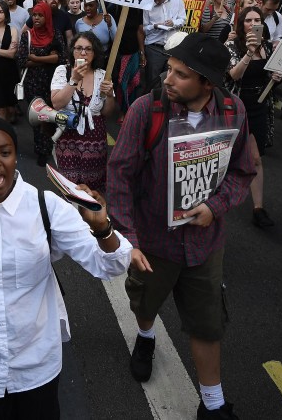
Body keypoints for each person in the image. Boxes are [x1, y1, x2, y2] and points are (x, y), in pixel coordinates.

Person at [0, 116, 133, 419]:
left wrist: (103, 229)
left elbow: (111, 265)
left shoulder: (47, 206)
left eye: (4, 152)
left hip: (36, 363)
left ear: (15, 155)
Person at [107, 34, 255, 420]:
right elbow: (120, 175)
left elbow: (242, 170)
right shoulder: (146, 110)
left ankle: (213, 404)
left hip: (205, 243)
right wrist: (129, 240)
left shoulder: (234, 111)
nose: (167, 79)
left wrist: (216, 206)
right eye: (169, 69)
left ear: (207, 82)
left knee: (207, 322)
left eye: (180, 74)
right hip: (154, 241)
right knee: (145, 302)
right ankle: (145, 336)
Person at [225, 7, 282, 228]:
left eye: (257, 20)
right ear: (241, 25)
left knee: (256, 158)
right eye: (248, 20)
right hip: (237, 107)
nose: (253, 23)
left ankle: (258, 208)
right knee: (243, 156)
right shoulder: (231, 46)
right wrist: (248, 52)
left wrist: (276, 76)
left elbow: (269, 76)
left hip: (259, 106)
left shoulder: (267, 45)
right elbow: (233, 75)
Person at [50, 32, 115, 192]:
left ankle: (90, 217)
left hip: (95, 141)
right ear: (72, 51)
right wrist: (74, 80)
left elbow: (107, 112)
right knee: (69, 187)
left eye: (88, 49)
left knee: (92, 190)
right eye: (79, 48)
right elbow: (57, 103)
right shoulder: (62, 71)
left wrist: (110, 95)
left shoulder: (102, 75)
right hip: (67, 138)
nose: (83, 53)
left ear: (95, 53)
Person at [17, 2, 66, 166]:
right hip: (33, 83)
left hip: (52, 82)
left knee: (50, 115)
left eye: (40, 15)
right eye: (34, 15)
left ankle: (49, 144)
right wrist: (48, 59)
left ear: (47, 17)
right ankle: (41, 150)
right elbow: (22, 60)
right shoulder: (27, 36)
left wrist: (36, 58)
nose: (36, 18)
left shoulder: (55, 34)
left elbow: (61, 58)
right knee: (38, 117)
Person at [142, 0, 187, 88]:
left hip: (173, 48)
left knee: (172, 79)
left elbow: (183, 19)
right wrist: (155, 26)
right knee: (153, 80)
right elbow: (144, 28)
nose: (157, 2)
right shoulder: (147, 5)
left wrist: (174, 23)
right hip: (154, 47)